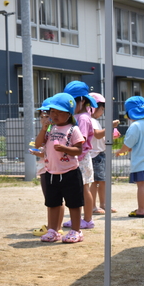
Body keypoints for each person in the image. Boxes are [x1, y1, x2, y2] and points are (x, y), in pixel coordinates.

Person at [34, 92, 85, 244]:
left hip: (70, 172)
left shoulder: (73, 129)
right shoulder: (50, 129)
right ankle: (53, 230)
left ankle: (76, 231)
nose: (54, 115)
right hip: (51, 172)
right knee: (53, 203)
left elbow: (79, 150)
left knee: (74, 203)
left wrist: (65, 149)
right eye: (52, 112)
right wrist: (43, 129)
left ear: (68, 114)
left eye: (58, 112)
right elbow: (38, 144)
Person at [62, 81, 97, 230]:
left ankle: (88, 219)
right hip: (80, 157)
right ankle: (79, 218)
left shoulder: (82, 118)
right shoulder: (81, 115)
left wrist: (74, 155)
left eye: (73, 101)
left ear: (82, 100)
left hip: (80, 158)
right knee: (78, 190)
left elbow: (80, 141)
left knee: (84, 189)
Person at [30, 98, 63, 237]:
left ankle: (57, 227)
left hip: (52, 168)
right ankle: (51, 226)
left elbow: (55, 150)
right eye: (41, 117)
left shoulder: (56, 130)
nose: (44, 119)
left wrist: (42, 153)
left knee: (56, 199)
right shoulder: (47, 129)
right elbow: (38, 144)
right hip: (45, 168)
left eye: (47, 116)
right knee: (50, 200)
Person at [88, 92, 120, 214]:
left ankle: (103, 204)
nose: (102, 112)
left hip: (98, 154)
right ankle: (94, 206)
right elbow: (97, 134)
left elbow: (98, 136)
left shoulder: (93, 120)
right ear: (93, 108)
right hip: (95, 155)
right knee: (96, 182)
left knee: (102, 181)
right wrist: (109, 126)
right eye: (101, 109)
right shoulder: (91, 120)